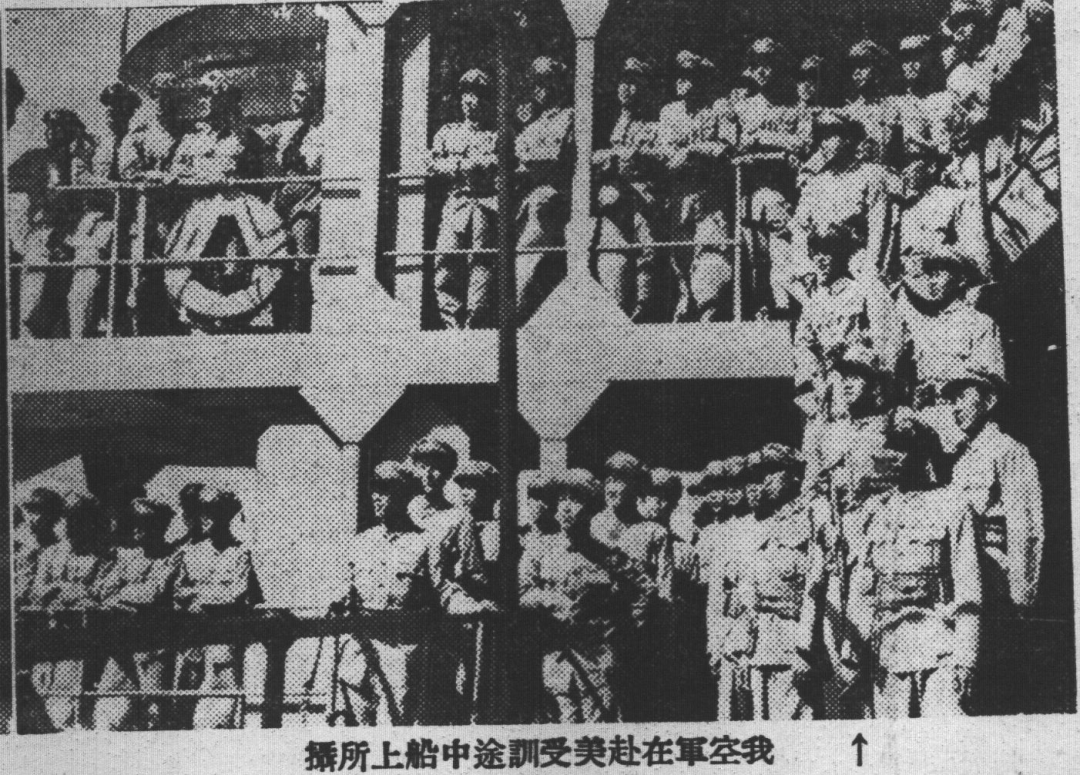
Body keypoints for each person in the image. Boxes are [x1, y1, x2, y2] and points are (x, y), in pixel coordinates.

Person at [334, 462, 489, 726]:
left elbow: (444, 591)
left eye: (386, 490)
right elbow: (345, 591)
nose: (377, 497)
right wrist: (337, 601)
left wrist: (475, 607)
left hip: (400, 650)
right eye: (376, 489)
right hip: (359, 650)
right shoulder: (361, 542)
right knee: (357, 727)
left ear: (404, 496)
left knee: (394, 727)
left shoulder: (425, 543)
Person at [162, 69, 289, 334]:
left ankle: (237, 315)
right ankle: (202, 317)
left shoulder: (247, 137)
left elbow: (266, 180)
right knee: (197, 266)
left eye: (209, 93)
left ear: (226, 99)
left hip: (239, 212)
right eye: (201, 93)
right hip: (198, 213)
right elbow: (174, 177)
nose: (203, 99)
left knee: (233, 267)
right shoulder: (191, 138)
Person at [519, 469, 620, 722]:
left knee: (599, 725)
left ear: (591, 509)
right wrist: (552, 601)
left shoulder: (605, 555)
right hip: (556, 651)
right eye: (561, 499)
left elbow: (620, 602)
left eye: (575, 500)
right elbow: (523, 592)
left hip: (595, 655)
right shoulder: (538, 549)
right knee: (562, 721)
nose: (566, 507)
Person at [893, 192, 1003, 411]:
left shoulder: (978, 324)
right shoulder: (902, 323)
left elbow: (988, 389)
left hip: (960, 414)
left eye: (938, 271)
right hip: (913, 418)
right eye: (922, 272)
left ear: (959, 277)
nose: (929, 280)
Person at [724, 467, 814, 720]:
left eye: (772, 472)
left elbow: (812, 595)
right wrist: (741, 645)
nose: (766, 481)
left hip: (792, 638)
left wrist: (805, 647)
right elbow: (745, 596)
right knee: (761, 720)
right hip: (760, 641)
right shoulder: (755, 537)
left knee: (791, 719)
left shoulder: (808, 534)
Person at [173, 487, 262, 729]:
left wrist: (199, 597)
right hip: (192, 637)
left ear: (224, 518)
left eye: (211, 514)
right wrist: (204, 597)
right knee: (185, 695)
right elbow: (178, 592)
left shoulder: (239, 554)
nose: (204, 520)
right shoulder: (189, 553)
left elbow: (235, 594)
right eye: (202, 513)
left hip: (223, 637)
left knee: (221, 697)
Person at [91, 499, 184, 731]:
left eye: (144, 525)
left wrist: (122, 594)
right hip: (122, 644)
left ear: (158, 527)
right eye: (135, 524)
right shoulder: (128, 556)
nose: (137, 530)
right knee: (110, 708)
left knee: (153, 711)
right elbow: (103, 590)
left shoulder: (171, 556)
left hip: (154, 644)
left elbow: (153, 592)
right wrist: (124, 594)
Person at [658, 50, 737, 321]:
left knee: (712, 255)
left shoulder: (719, 108)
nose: (682, 81)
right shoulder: (669, 112)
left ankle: (708, 313)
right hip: (681, 195)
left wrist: (692, 150)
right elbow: (666, 155)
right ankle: (685, 301)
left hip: (710, 196)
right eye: (679, 75)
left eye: (689, 76)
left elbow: (727, 148)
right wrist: (695, 152)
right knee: (680, 255)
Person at [26, 494, 114, 730]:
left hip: (88, 638)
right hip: (53, 637)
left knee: (85, 701)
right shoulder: (49, 554)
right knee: (53, 701)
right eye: (67, 519)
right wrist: (59, 590)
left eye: (78, 520)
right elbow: (36, 593)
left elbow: (102, 593)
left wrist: (71, 593)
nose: (71, 525)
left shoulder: (101, 555)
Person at [14, 109, 99, 339]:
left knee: (72, 290)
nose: (51, 132)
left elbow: (91, 194)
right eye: (49, 127)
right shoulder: (35, 158)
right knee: (36, 282)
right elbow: (10, 182)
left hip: (75, 233)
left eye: (58, 127)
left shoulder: (82, 160)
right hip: (43, 231)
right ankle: (30, 338)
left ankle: (71, 338)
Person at [592, 57, 664, 321]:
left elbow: (662, 155)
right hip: (613, 201)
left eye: (633, 82)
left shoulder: (656, 118)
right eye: (623, 81)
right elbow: (588, 156)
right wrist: (607, 158)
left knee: (647, 255)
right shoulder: (606, 119)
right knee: (613, 257)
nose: (626, 88)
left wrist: (638, 155)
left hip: (643, 197)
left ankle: (643, 312)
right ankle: (617, 312)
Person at [429, 69, 499, 330]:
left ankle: (474, 324)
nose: (472, 101)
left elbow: (501, 164)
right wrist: (461, 166)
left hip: (485, 204)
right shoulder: (448, 133)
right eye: (467, 95)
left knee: (481, 263)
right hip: (456, 203)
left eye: (478, 95)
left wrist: (478, 165)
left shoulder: (496, 135)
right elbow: (432, 164)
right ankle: (451, 323)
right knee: (446, 260)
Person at [257, 70, 325, 332]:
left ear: (315, 96)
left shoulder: (327, 130)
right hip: (281, 202)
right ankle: (279, 323)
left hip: (308, 201)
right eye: (293, 93)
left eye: (302, 93)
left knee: (300, 263)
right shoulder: (286, 128)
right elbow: (257, 137)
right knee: (276, 260)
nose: (295, 98)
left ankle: (299, 326)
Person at [118, 73, 185, 336]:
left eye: (173, 97)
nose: (168, 103)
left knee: (179, 269)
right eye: (163, 96)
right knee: (144, 272)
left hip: (179, 211)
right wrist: (156, 176)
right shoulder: (141, 131)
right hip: (147, 212)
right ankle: (141, 331)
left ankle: (177, 329)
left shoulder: (184, 130)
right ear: (154, 96)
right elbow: (127, 170)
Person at [515, 56, 574, 323]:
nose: (539, 88)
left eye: (546, 82)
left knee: (529, 262)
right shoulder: (533, 123)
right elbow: (517, 157)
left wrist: (530, 158)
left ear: (557, 84)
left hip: (554, 200)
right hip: (531, 201)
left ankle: (520, 318)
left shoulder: (569, 117)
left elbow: (555, 157)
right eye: (536, 82)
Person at [890, 35, 952, 200]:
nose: (910, 65)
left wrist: (922, 145)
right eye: (905, 59)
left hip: (934, 185)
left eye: (916, 57)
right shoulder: (895, 104)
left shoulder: (942, 100)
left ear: (928, 60)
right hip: (899, 184)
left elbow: (945, 149)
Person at [842, 40, 901, 166]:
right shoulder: (851, 111)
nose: (856, 73)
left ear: (878, 69)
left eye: (862, 66)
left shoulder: (895, 107)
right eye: (854, 67)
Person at [13, 488, 66, 608]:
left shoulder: (59, 549)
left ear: (52, 516)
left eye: (38, 512)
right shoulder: (18, 543)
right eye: (29, 511)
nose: (31, 517)